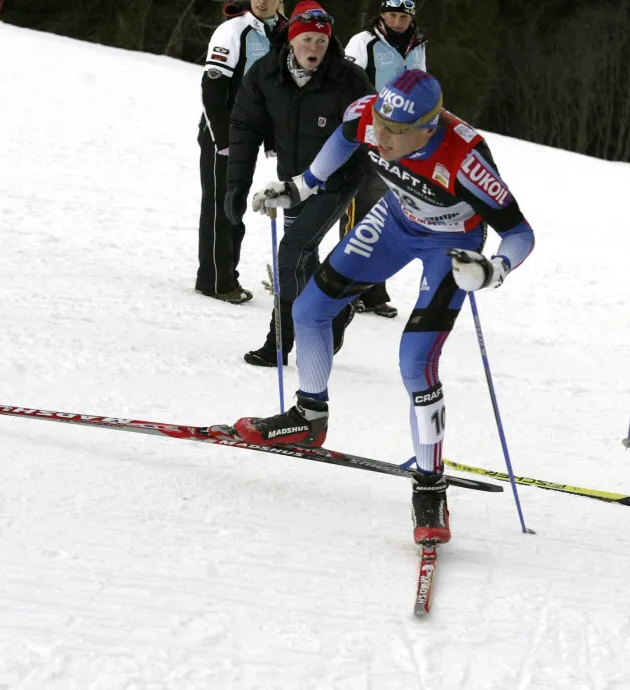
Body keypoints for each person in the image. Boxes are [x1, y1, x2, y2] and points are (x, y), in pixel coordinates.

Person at [231, 69, 535, 545]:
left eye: (396, 132)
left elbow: (520, 233)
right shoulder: (369, 115)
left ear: (428, 128)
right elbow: (344, 137)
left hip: (451, 243)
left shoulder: (464, 159)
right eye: (380, 124)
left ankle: (431, 487)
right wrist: (300, 186)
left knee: (415, 362)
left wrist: (493, 269)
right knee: (310, 309)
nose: (382, 136)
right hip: (395, 221)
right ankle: (309, 419)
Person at [225, 2, 374, 366]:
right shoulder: (265, 74)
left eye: (321, 42)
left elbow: (368, 133)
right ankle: (334, 312)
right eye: (306, 40)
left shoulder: (349, 80)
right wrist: (237, 185)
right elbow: (245, 128)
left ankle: (280, 340)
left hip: (338, 181)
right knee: (304, 258)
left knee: (292, 252)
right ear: (291, 40)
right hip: (292, 181)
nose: (314, 49)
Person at [338, 0, 430, 319]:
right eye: (392, 15)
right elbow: (347, 85)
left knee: (385, 214)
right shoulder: (364, 42)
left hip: (399, 141)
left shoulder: (417, 45)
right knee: (357, 211)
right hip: (366, 135)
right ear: (382, 15)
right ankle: (345, 289)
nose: (398, 21)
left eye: (404, 16)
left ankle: (375, 290)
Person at [196, 0, 288, 304]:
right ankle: (214, 282)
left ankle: (227, 276)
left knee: (234, 204)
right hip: (223, 133)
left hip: (251, 133)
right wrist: (223, 139)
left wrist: (272, 139)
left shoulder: (284, 31)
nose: (262, 1)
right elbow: (212, 89)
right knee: (219, 206)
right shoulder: (233, 30)